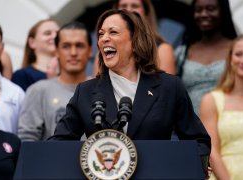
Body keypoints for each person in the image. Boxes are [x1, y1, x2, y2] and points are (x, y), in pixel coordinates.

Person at [50, 9, 211, 175]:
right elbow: (59, 144)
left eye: (113, 32)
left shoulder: (169, 87)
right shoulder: (85, 91)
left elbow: (199, 142)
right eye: (101, 34)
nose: (104, 38)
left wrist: (194, 166)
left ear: (135, 41)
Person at [200, 33, 243, 180]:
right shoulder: (211, 100)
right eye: (238, 54)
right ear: (230, 59)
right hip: (222, 175)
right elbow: (211, 150)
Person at [18, 21, 91, 141]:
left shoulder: (103, 90)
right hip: (51, 159)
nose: (73, 53)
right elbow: (27, 141)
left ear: (90, 51)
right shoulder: (38, 91)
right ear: (56, 51)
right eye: (66, 46)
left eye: (79, 45)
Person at [175, 0, 237, 115]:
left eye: (210, 9)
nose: (203, 14)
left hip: (228, 123)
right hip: (190, 127)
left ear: (223, 12)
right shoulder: (181, 54)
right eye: (198, 10)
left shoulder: (238, 50)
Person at [93, 0, 175, 75]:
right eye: (123, 6)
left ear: (146, 13)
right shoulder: (103, 53)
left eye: (135, 6)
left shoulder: (162, 48)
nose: (128, 10)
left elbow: (166, 88)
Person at [11, 19, 59, 91]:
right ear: (32, 42)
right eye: (47, 33)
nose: (55, 36)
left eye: (58, 33)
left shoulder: (71, 73)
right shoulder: (22, 76)